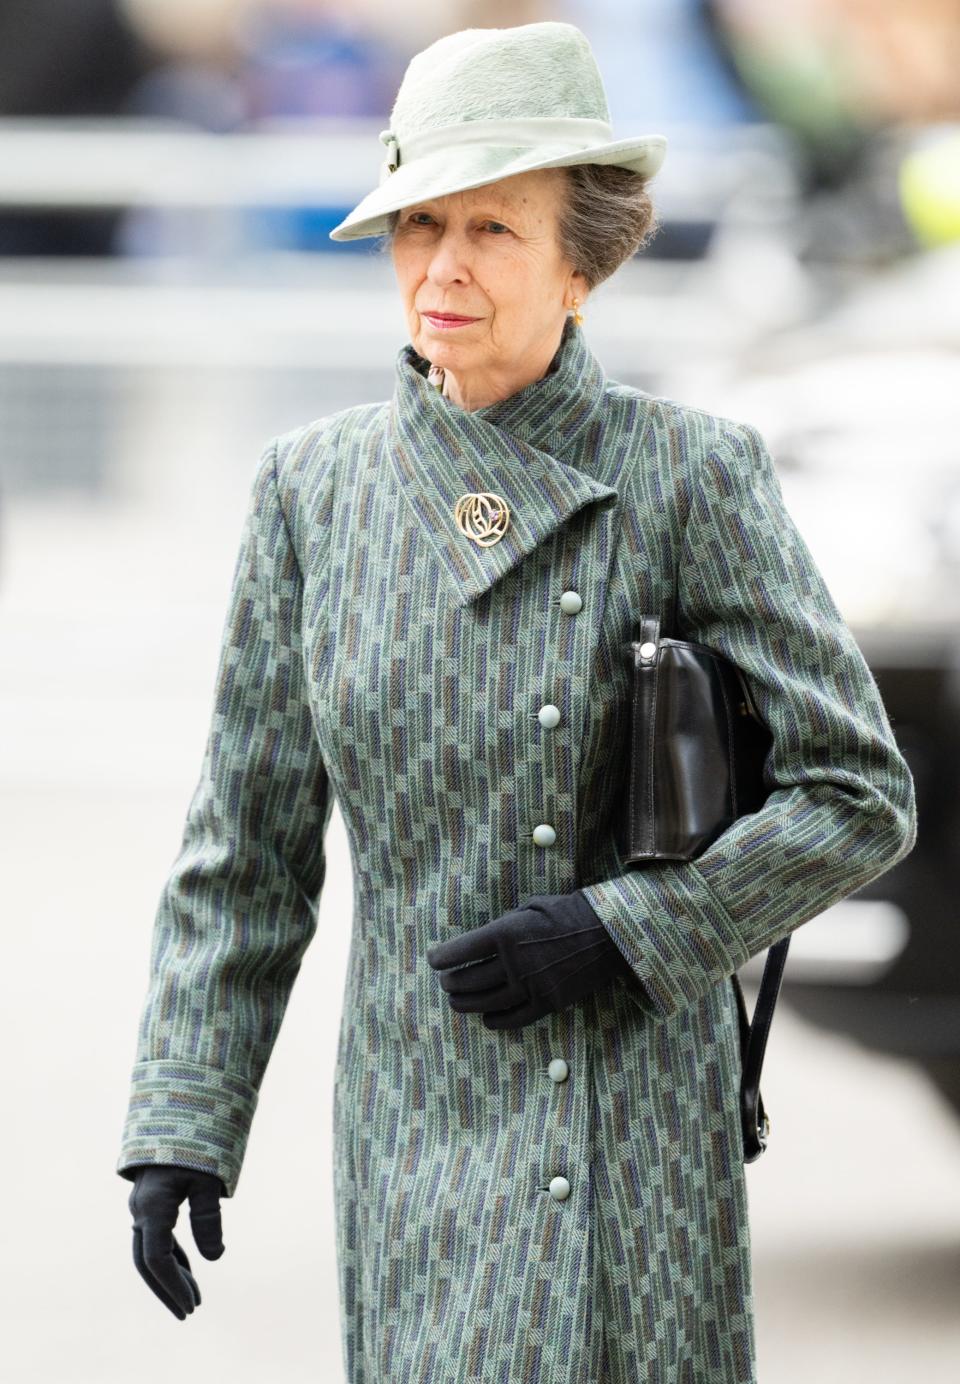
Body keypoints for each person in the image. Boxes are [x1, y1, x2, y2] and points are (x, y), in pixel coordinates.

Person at [115, 21, 917, 1383]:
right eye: (418, 223)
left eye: (493, 227)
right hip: (414, 1114)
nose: (442, 266)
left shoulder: (692, 475)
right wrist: (184, 1115)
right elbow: (243, 849)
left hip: (630, 1122)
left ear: (582, 261)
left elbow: (858, 798)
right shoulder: (313, 494)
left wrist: (624, 930)